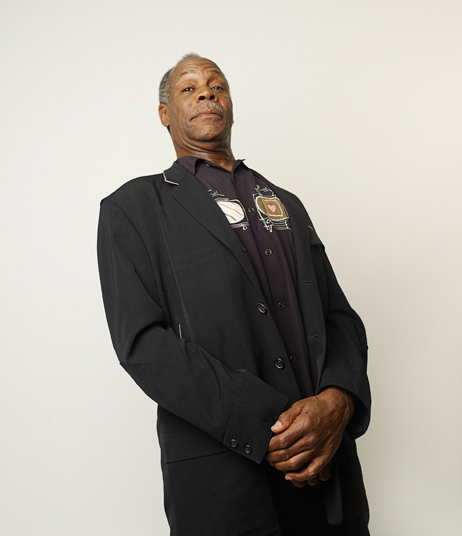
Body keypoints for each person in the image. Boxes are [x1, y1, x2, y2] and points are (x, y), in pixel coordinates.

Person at [97, 53, 371, 536]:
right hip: (224, 478)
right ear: (165, 114)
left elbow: (339, 317)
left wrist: (338, 401)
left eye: (217, 85)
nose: (206, 92)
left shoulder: (287, 203)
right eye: (188, 88)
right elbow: (142, 344)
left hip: (326, 468)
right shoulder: (134, 208)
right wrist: (267, 424)